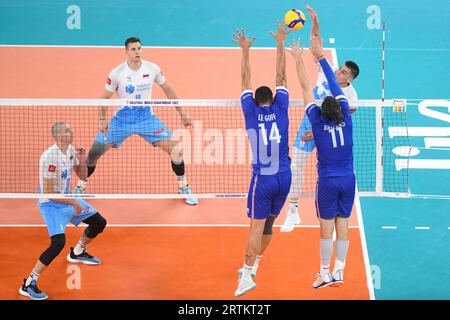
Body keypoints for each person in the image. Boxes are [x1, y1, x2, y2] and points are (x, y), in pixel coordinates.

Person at [74, 36, 198, 205]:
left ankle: (183, 186)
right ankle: (81, 185)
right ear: (126, 52)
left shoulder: (152, 68)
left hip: (146, 118)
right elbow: (104, 98)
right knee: (93, 154)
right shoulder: (117, 73)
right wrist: (103, 119)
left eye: (139, 48)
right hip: (121, 120)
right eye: (133, 49)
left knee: (176, 150)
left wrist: (182, 113)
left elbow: (167, 89)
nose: (137, 51)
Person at [281, 5, 359, 232]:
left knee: (328, 174)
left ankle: (334, 220)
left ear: (349, 80)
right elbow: (316, 41)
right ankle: (293, 211)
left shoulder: (351, 96)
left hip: (328, 133)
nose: (339, 72)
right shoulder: (326, 71)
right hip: (311, 120)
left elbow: (341, 123)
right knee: (296, 165)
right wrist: (315, 20)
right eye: (340, 68)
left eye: (344, 72)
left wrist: (317, 133)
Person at [288, 35, 356, 288]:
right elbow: (335, 87)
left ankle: (324, 273)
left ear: (320, 112)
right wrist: (321, 57)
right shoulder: (347, 119)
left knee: (326, 228)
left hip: (327, 183)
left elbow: (306, 88)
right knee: (344, 224)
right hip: (349, 180)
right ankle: (340, 271)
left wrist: (298, 59)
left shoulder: (316, 124)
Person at [232, 22, 292, 297]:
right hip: (284, 178)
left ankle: (245, 275)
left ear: (254, 101)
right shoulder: (282, 108)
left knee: (254, 228)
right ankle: (255, 265)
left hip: (263, 180)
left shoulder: (250, 113)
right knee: (268, 224)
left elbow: (245, 80)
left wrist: (245, 51)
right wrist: (280, 42)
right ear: (274, 99)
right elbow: (281, 76)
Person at [19, 122, 107, 300]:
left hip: (68, 199)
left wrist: (82, 157)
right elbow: (50, 194)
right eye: (67, 130)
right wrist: (73, 202)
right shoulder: (49, 157)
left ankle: (78, 252)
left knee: (99, 222)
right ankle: (29, 284)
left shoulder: (70, 151)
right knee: (58, 243)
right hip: (52, 204)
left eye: (70, 129)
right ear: (58, 135)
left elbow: (82, 176)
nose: (71, 131)